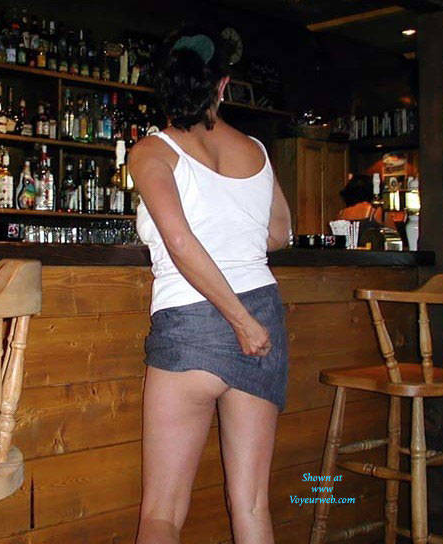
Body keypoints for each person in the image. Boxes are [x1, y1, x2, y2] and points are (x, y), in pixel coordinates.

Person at [128, 27, 292, 544]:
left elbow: (179, 241)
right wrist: (249, 321)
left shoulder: (151, 151)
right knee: (252, 505)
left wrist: (239, 322)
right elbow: (279, 234)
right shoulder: (256, 151)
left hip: (194, 325)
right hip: (263, 317)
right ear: (222, 85)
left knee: (162, 513)